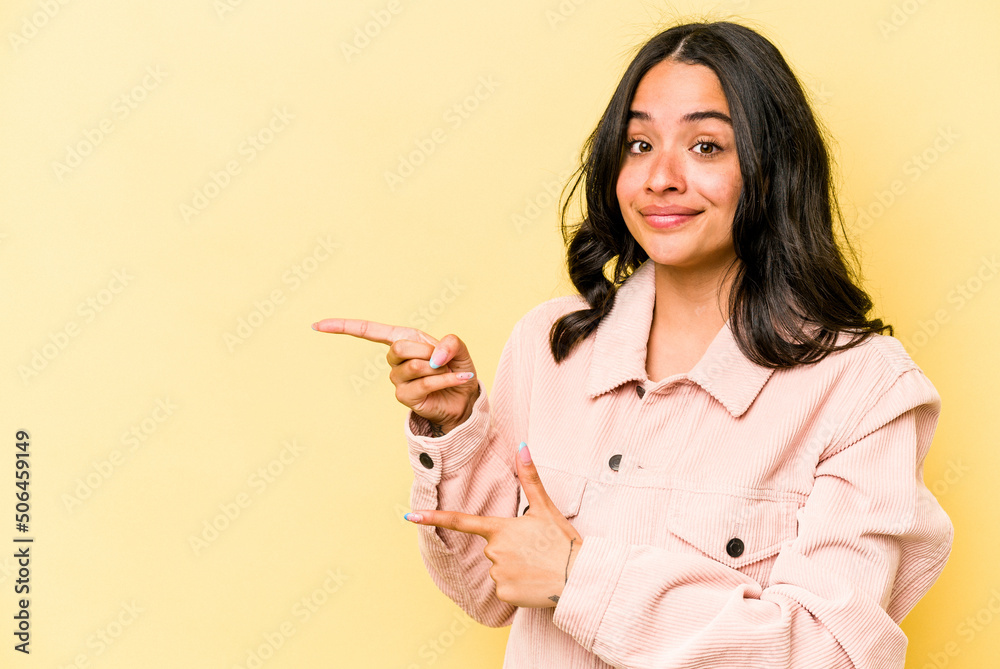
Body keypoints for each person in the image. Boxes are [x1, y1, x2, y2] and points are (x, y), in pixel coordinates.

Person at [313, 20, 953, 668]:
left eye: (705, 146)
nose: (661, 176)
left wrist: (577, 578)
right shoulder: (550, 343)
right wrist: (453, 427)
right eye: (640, 143)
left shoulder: (863, 389)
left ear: (769, 167)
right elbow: (487, 592)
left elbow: (830, 654)